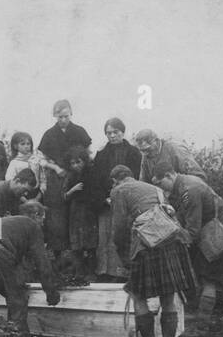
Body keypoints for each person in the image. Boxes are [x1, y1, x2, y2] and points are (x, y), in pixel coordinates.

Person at [110, 165, 197, 337]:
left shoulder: (118, 191)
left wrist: (124, 256)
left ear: (115, 181)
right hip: (171, 243)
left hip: (145, 247)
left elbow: (119, 228)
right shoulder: (154, 188)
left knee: (138, 297)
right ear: (131, 177)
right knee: (168, 298)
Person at [152, 166, 223, 322]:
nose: (160, 188)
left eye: (160, 183)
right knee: (212, 276)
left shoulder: (189, 190)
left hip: (218, 235)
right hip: (214, 231)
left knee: (209, 278)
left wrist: (175, 242)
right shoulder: (185, 183)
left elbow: (192, 229)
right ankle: (215, 312)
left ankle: (203, 323)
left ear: (169, 175)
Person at [0, 200, 61, 331]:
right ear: (37, 215)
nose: (43, 223)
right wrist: (51, 292)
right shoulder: (32, 226)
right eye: (43, 219)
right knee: (18, 296)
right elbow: (42, 262)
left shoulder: (9, 223)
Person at [37, 99, 92, 257]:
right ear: (55, 116)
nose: (63, 120)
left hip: (77, 175)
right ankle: (58, 255)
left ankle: (80, 255)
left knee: (78, 212)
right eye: (59, 116)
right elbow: (41, 159)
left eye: (66, 116)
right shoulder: (49, 134)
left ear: (71, 114)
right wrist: (56, 168)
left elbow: (89, 153)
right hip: (57, 178)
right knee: (57, 215)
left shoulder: (79, 131)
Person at [91, 117, 144, 280]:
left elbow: (137, 177)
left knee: (123, 234)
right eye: (108, 133)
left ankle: (123, 272)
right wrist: (105, 198)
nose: (112, 136)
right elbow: (96, 179)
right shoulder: (101, 153)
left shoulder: (134, 153)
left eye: (115, 132)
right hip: (106, 201)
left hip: (127, 200)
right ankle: (105, 272)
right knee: (106, 236)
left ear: (123, 132)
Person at [60, 145, 101, 276]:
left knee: (91, 244)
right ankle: (79, 273)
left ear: (84, 161)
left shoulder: (92, 173)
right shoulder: (70, 176)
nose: (76, 165)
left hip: (89, 212)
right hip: (75, 212)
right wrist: (73, 190)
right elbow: (64, 196)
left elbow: (96, 192)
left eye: (78, 162)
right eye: (72, 163)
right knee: (76, 244)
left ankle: (92, 273)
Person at [134, 129, 206, 185]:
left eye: (147, 149)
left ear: (156, 141)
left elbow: (198, 177)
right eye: (142, 150)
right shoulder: (146, 155)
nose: (145, 153)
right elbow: (144, 182)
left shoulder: (175, 149)